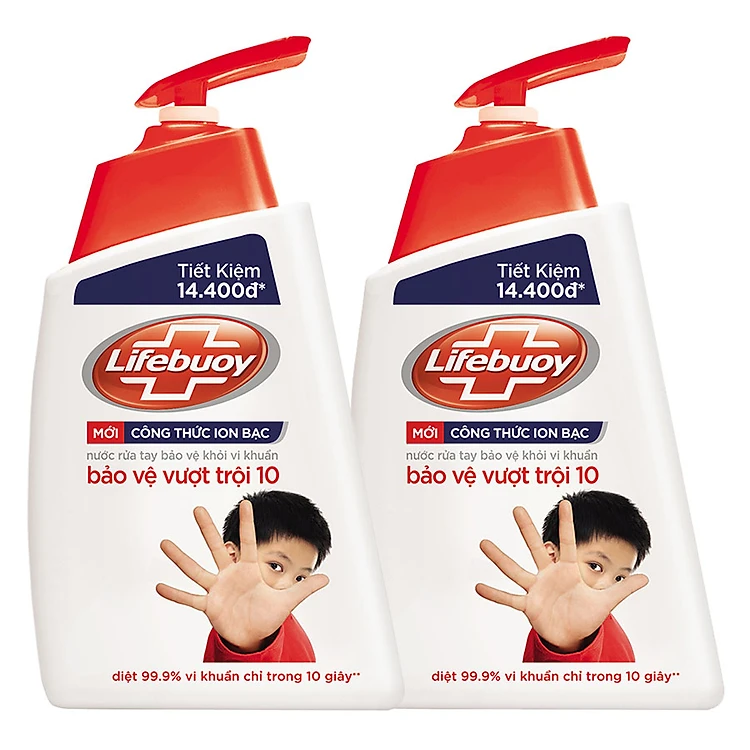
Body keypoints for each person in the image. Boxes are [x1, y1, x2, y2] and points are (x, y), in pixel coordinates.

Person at [156, 490, 332, 662]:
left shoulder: (295, 635)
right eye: (275, 566)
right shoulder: (232, 626)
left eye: (300, 578)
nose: (287, 585)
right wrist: (246, 646)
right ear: (233, 555)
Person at [476, 490, 651, 662]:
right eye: (595, 566)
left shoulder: (614, 635)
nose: (606, 585)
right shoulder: (551, 625)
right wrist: (565, 647)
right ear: (552, 555)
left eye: (619, 578)